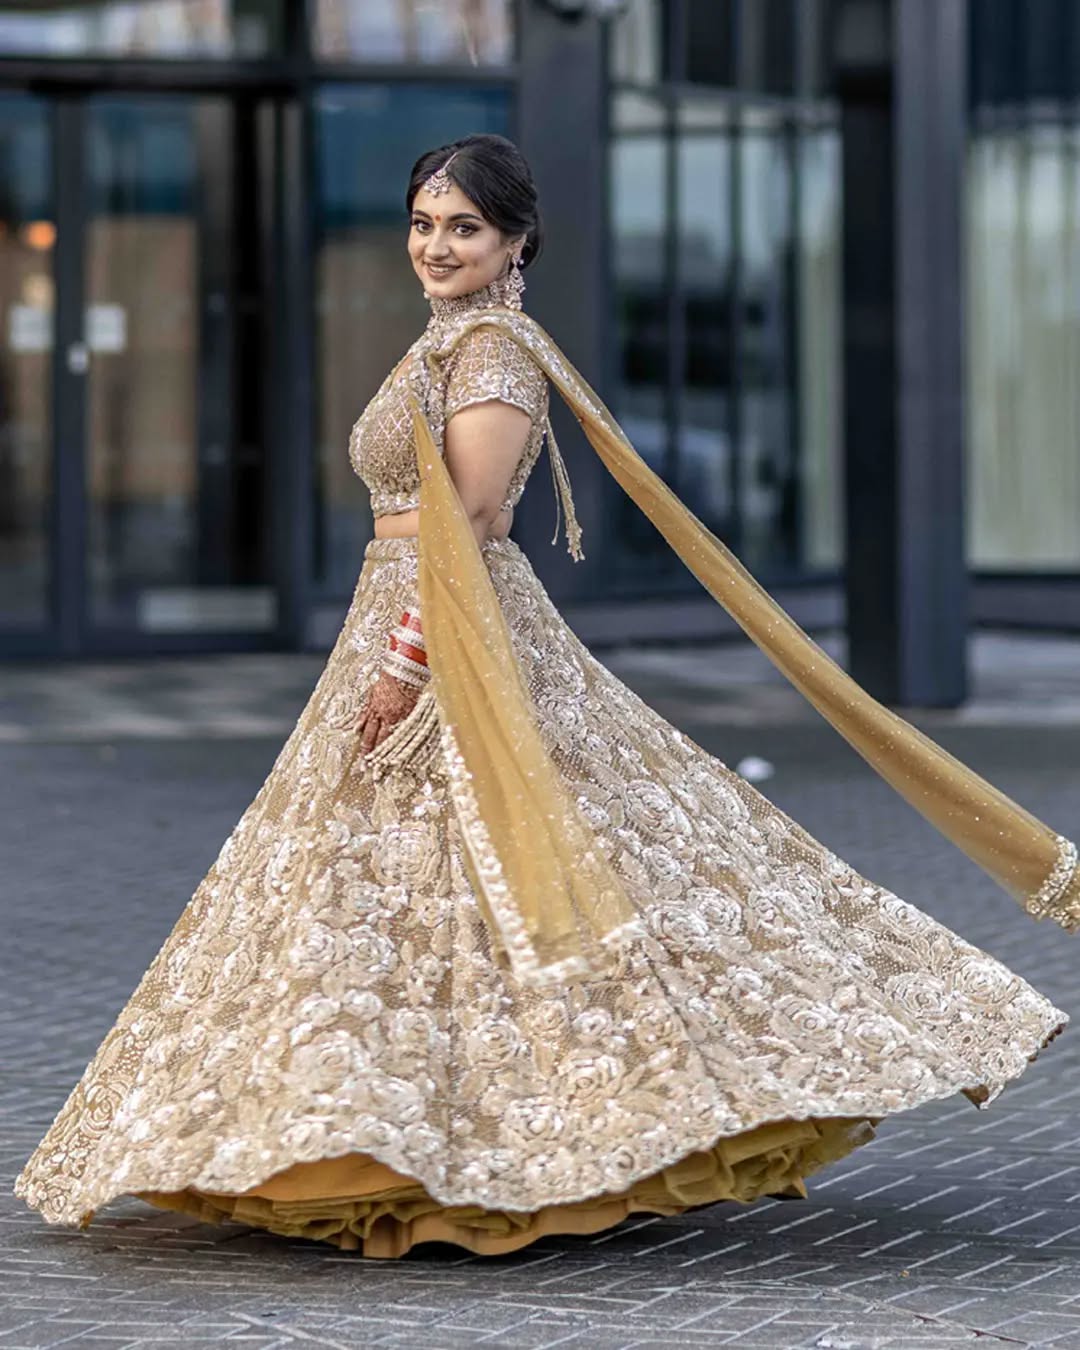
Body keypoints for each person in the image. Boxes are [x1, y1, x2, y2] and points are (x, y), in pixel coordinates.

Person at [14, 133, 1077, 1260]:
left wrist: (404, 663)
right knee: (406, 886)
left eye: (463, 227)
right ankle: (383, 1129)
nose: (435, 245)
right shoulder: (446, 342)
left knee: (527, 862)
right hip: (401, 619)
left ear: (515, 241)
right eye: (423, 223)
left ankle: (515, 1145)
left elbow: (468, 521)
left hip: (448, 636)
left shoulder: (494, 353)